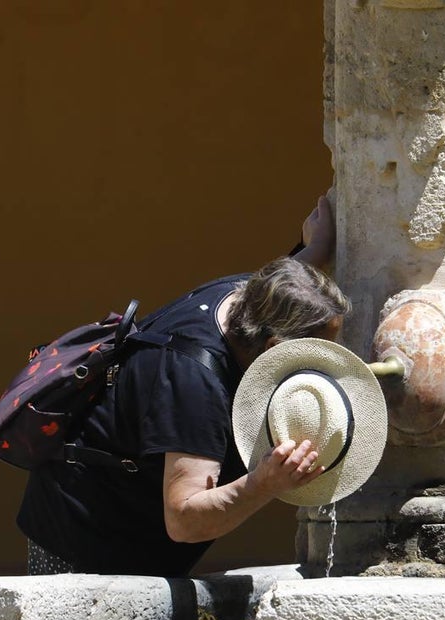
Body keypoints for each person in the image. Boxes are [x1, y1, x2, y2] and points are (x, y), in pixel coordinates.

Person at [18, 196, 349, 576]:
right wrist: (264, 483)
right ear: (274, 346)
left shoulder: (244, 297)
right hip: (84, 543)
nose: (317, 365)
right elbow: (184, 519)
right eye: (312, 353)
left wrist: (316, 249)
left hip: (97, 509)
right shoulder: (196, 383)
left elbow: (289, 288)